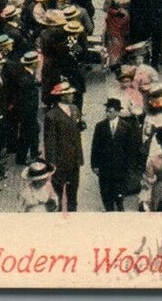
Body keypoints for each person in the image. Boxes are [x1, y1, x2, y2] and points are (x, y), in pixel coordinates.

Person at [91, 97, 142, 211]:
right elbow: (95, 147)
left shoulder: (126, 127)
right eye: (107, 111)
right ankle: (108, 208)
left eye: (111, 111)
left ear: (118, 112)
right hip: (104, 165)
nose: (108, 114)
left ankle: (119, 205)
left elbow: (130, 148)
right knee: (105, 189)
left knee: (119, 188)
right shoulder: (100, 126)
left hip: (120, 166)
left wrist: (129, 165)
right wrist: (94, 165)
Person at [43, 81, 84, 212]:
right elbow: (49, 142)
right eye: (69, 94)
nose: (72, 95)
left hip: (74, 160)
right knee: (59, 195)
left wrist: (81, 126)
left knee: (73, 194)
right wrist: (51, 164)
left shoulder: (74, 109)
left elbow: (77, 128)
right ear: (62, 96)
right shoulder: (51, 116)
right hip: (60, 162)